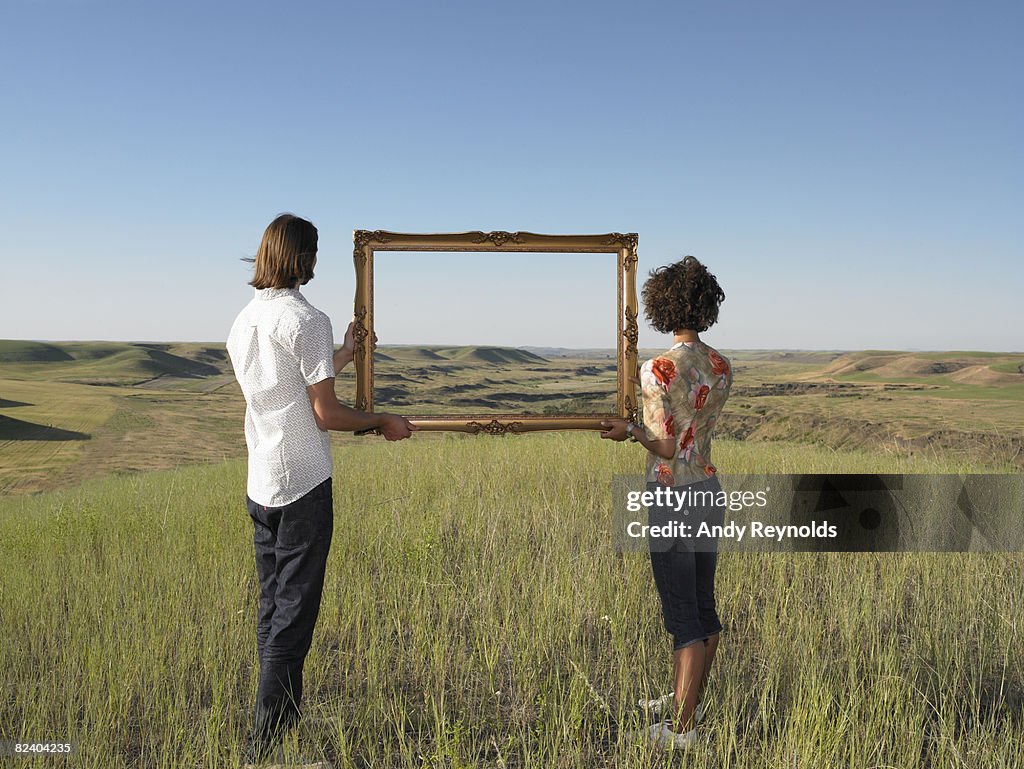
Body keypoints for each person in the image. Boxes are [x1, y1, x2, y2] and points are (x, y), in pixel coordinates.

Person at [227, 213, 416, 764]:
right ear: (303, 258)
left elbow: (292, 383)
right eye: (314, 253)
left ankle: (281, 722)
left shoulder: (244, 321)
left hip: (261, 479)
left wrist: (347, 355)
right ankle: (265, 741)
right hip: (303, 481)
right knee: (294, 611)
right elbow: (326, 413)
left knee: (272, 605)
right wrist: (382, 421)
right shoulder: (307, 318)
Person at [601, 255, 732, 749]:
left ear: (662, 305)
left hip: (672, 493)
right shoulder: (721, 365)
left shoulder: (657, 368)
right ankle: (689, 701)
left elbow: (664, 445)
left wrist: (629, 430)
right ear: (706, 306)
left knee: (682, 616)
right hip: (707, 490)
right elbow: (694, 436)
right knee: (702, 605)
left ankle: (681, 730)